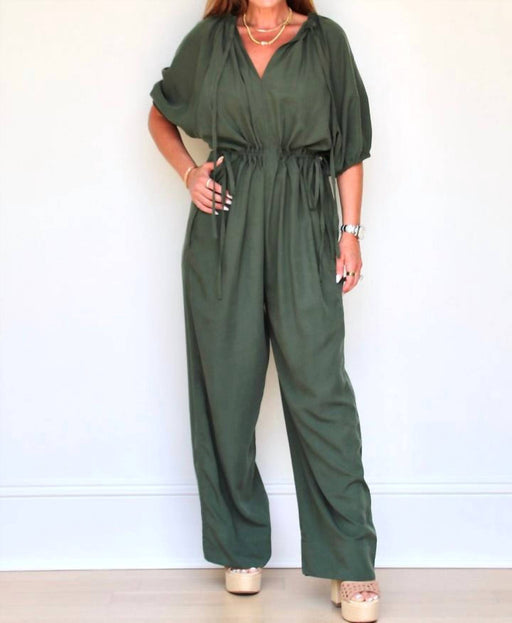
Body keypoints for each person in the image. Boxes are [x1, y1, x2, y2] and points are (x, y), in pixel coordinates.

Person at [148, 1, 380, 621]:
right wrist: (190, 174)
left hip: (305, 222)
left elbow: (349, 144)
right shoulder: (210, 40)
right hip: (225, 228)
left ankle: (350, 560)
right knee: (226, 390)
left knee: (321, 391)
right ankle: (239, 546)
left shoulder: (325, 41)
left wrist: (351, 231)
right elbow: (160, 113)